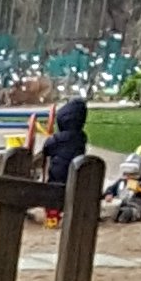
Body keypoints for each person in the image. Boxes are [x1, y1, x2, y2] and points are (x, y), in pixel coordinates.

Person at [33, 91, 92, 221]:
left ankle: (52, 214)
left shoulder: (56, 139)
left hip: (57, 173)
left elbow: (46, 150)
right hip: (74, 172)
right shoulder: (81, 138)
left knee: (53, 191)